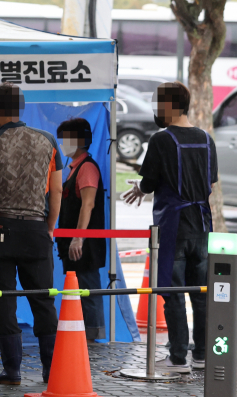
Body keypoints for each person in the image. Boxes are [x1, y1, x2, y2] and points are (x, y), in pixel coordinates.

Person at [122, 81, 218, 373]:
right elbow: (210, 182)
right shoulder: (206, 138)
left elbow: (149, 182)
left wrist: (141, 188)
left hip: (173, 225)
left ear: (169, 106)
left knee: (172, 291)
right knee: (201, 293)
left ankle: (178, 357)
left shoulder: (162, 140)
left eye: (158, 103)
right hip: (202, 225)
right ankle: (202, 355)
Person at [0, 83, 61, 385]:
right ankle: (51, 369)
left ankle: (12, 371)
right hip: (36, 230)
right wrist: (48, 228)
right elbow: (56, 189)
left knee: (3, 302)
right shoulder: (48, 142)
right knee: (43, 301)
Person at [55, 118, 106, 342]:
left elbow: (88, 204)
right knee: (77, 290)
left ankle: (93, 337)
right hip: (72, 243)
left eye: (66, 139)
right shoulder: (72, 169)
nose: (63, 144)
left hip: (85, 244)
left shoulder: (86, 168)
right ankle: (80, 334)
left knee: (88, 290)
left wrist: (78, 238)